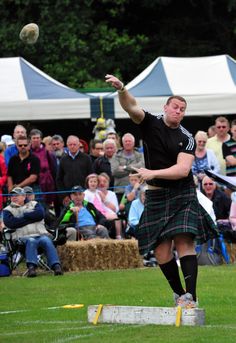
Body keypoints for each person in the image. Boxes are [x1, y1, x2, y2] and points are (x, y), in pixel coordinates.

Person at [105, 74, 218, 308]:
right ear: (165, 107)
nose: (178, 111)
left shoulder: (186, 138)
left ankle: (192, 297)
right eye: (175, 107)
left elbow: (182, 169)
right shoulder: (150, 122)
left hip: (181, 192)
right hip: (157, 195)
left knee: (184, 239)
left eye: (183, 109)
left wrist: (152, 173)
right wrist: (122, 89)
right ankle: (179, 294)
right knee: (161, 250)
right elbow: (131, 106)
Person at [3, 187, 63, 277]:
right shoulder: (7, 210)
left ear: (23, 197)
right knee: (31, 241)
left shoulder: (35, 204)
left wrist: (22, 215)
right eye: (12, 195)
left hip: (40, 234)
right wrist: (31, 218)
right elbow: (11, 223)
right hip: (22, 239)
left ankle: (56, 266)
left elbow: (39, 215)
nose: (13, 197)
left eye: (16, 195)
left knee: (46, 240)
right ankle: (31, 268)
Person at [56, 135, 93, 205]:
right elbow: (59, 179)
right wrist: (64, 196)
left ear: (79, 145)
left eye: (74, 144)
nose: (72, 146)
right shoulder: (63, 159)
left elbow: (90, 176)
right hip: (68, 196)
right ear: (67, 145)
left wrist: (88, 193)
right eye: (70, 144)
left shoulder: (86, 158)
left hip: (84, 194)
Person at [110, 132, 144, 202]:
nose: (128, 143)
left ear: (133, 143)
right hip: (120, 191)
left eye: (129, 141)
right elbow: (114, 171)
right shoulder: (116, 155)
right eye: (126, 141)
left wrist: (125, 167)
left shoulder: (140, 155)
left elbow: (142, 167)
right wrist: (133, 170)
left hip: (139, 191)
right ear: (123, 143)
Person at [30, 129, 57, 206]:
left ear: (41, 139)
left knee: (45, 208)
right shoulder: (28, 152)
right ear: (30, 139)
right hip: (33, 185)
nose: (36, 140)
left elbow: (53, 170)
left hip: (47, 185)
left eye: (37, 138)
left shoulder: (47, 152)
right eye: (34, 138)